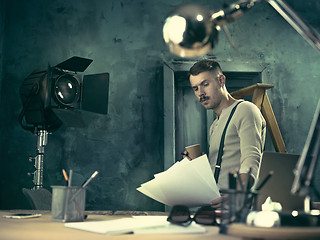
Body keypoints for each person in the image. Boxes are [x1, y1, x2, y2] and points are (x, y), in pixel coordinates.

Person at [187, 59, 266, 208]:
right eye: (195, 88)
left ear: (221, 80)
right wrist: (197, 163)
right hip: (215, 206)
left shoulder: (245, 110)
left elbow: (251, 159)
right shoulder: (215, 125)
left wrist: (237, 195)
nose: (201, 93)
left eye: (205, 84)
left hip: (235, 208)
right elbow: (222, 164)